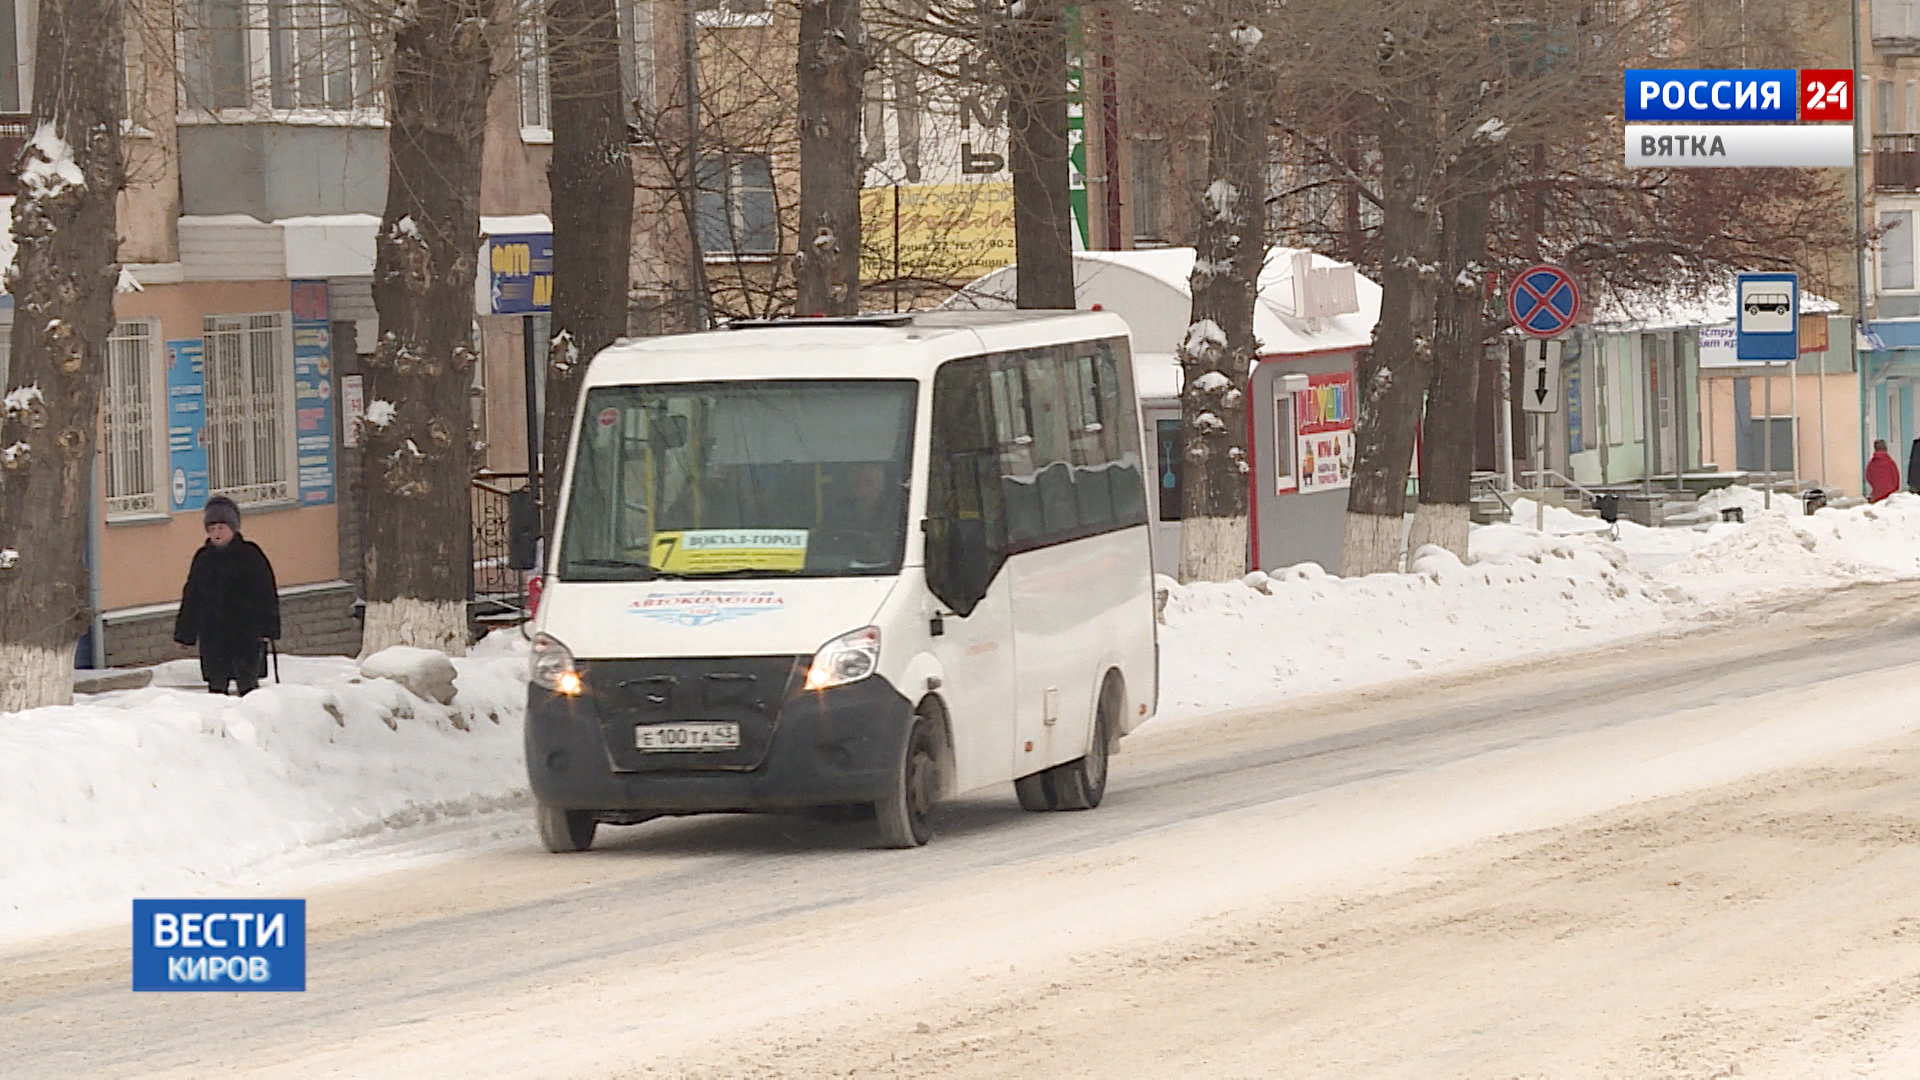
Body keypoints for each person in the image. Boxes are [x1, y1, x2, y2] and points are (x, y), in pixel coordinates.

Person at [173, 496, 282, 695]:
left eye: (221, 527)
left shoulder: (250, 555)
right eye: (212, 528)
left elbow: (266, 593)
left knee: (248, 685)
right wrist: (185, 634)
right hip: (213, 636)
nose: (217, 533)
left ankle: (253, 721)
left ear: (233, 528)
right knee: (216, 686)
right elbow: (192, 597)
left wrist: (268, 628)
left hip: (245, 634)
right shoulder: (203, 559)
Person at [1866, 438, 1902, 504]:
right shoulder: (1890, 462)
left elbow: (1868, 476)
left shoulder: (1872, 463)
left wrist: (1875, 485)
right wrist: (1895, 488)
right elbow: (1895, 476)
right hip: (1889, 494)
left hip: (1877, 494)